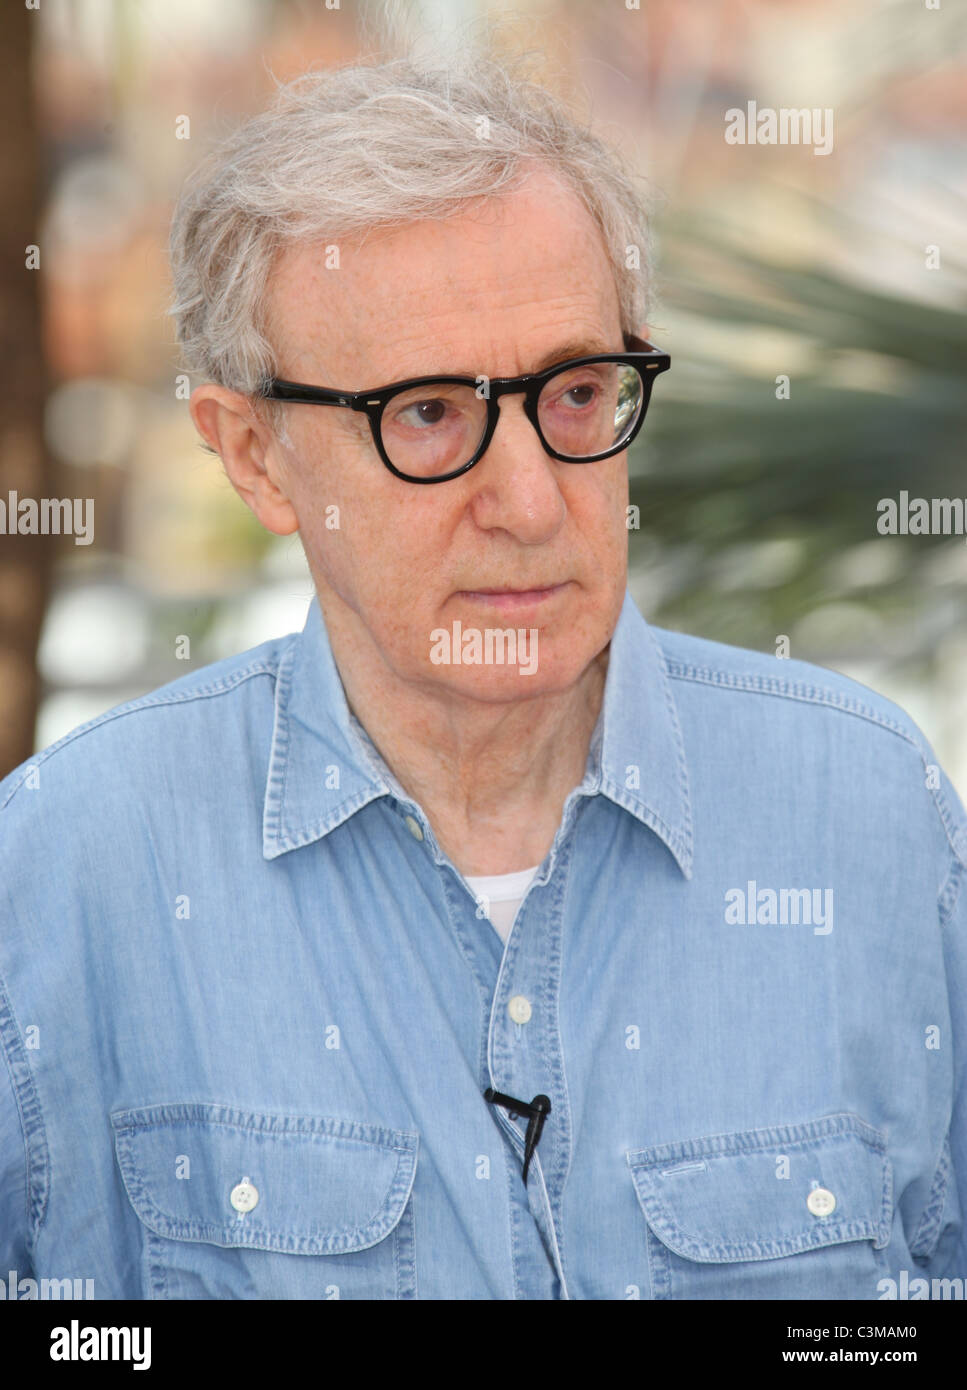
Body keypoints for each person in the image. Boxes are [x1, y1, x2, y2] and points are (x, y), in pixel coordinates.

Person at [1, 52, 964, 1302]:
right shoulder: (68, 868)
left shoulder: (871, 816)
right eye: (428, 415)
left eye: (572, 392)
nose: (527, 501)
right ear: (255, 456)